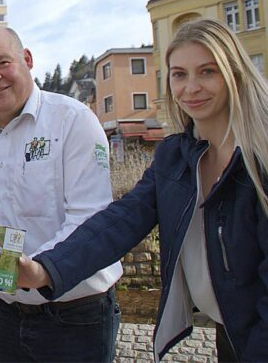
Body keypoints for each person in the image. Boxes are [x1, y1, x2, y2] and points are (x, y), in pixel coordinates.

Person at [17, 19, 268, 362]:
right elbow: (121, 221)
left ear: (234, 74)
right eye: (179, 74)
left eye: (207, 72)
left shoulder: (259, 160)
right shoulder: (175, 156)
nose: (191, 88)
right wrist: (47, 268)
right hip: (231, 335)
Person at [0, 25, 123, 362]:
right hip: (6, 314)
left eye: (2, 63)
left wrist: (35, 270)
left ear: (27, 59)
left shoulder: (74, 121)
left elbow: (89, 220)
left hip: (76, 316)